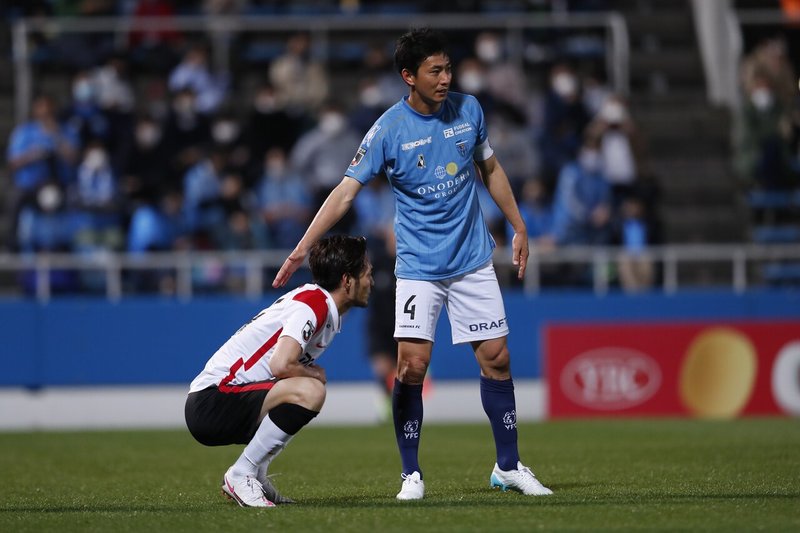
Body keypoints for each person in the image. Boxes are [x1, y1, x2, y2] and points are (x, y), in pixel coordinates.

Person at [272, 28, 552, 500]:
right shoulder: (387, 129)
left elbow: (492, 169)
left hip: (472, 259)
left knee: (497, 360)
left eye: (448, 68)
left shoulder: (470, 111)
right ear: (409, 76)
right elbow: (345, 192)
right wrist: (303, 246)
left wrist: (518, 225)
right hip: (419, 266)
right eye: (435, 71)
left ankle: (508, 466)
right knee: (411, 368)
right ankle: (411, 475)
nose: (446, 79)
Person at [185, 235, 374, 508]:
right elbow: (280, 364)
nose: (371, 281)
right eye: (367, 274)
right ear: (347, 280)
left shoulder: (318, 304)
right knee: (310, 390)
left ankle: (256, 475)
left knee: (302, 388)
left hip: (217, 399)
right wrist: (313, 374)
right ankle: (242, 473)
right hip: (211, 401)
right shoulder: (315, 304)